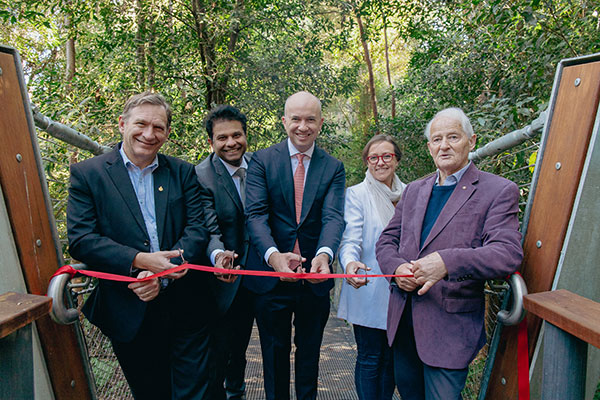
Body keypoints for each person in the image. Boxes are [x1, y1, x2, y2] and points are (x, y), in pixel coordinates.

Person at [67, 92, 213, 399]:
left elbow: (197, 230)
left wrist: (163, 273)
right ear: (122, 124)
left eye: (158, 127)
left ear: (167, 133)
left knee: (194, 392)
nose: (149, 134)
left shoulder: (183, 172)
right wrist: (140, 261)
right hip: (127, 306)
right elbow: (81, 239)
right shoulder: (88, 174)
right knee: (150, 392)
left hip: (185, 302)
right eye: (141, 124)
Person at [375, 107, 523, 399]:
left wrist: (446, 262)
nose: (444, 145)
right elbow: (387, 241)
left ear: (471, 140)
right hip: (404, 324)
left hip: (449, 330)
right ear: (429, 147)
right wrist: (397, 271)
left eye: (453, 137)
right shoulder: (415, 190)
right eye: (436, 139)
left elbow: (506, 253)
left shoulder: (498, 190)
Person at [243, 91, 345, 400]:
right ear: (284, 121)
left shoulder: (333, 167)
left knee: (310, 351)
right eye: (296, 119)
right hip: (272, 275)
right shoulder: (262, 160)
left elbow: (333, 217)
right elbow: (255, 214)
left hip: (314, 275)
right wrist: (273, 257)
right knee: (274, 353)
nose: (303, 126)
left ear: (321, 123)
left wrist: (325, 255)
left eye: (310, 119)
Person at [337, 134, 405, 399]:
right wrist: (350, 262)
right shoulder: (356, 194)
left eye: (386, 156)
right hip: (368, 286)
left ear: (396, 160)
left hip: (401, 290)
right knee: (369, 357)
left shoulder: (411, 193)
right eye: (373, 157)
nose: (380, 162)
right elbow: (350, 238)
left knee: (391, 358)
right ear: (366, 161)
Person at [195, 105, 254, 400]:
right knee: (220, 345)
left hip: (260, 272)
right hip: (223, 278)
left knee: (242, 342)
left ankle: (237, 389)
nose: (231, 143)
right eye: (222, 138)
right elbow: (208, 229)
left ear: (246, 136)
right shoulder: (202, 176)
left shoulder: (260, 166)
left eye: (236, 135)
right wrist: (219, 257)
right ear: (211, 142)